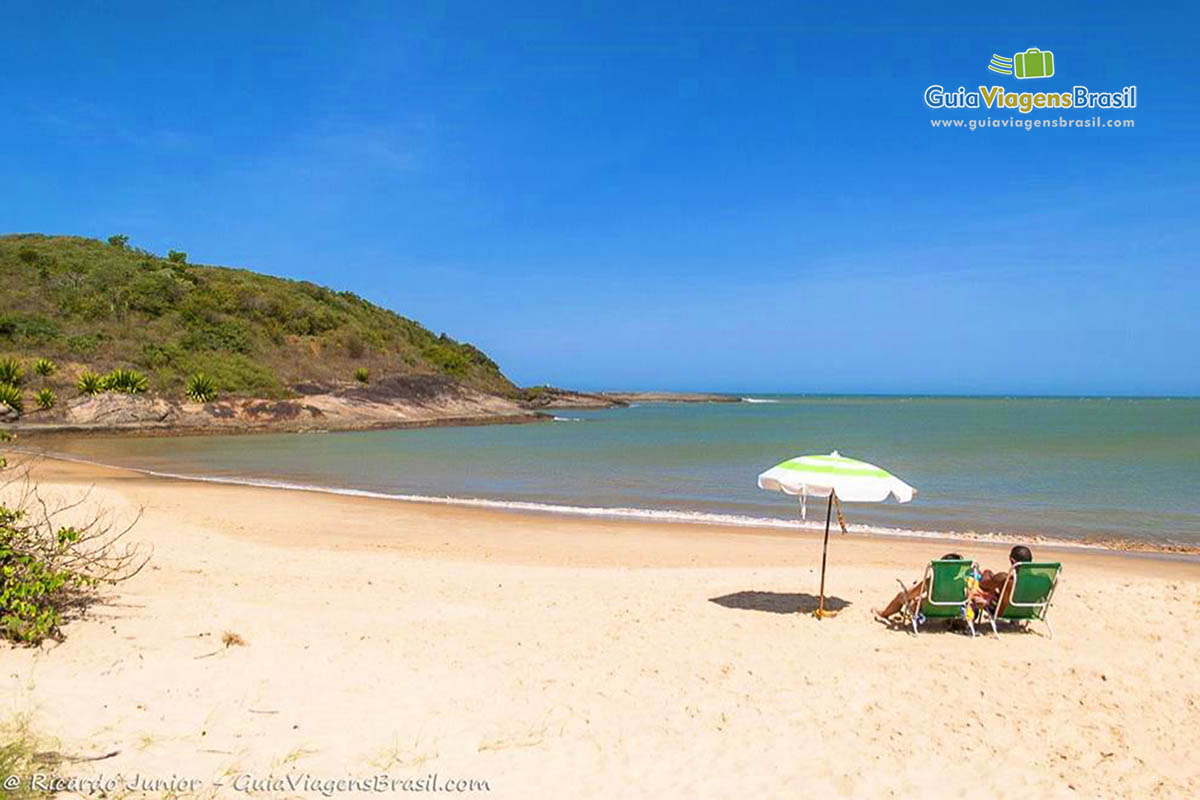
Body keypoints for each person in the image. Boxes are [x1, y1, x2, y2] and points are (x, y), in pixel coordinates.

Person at [872, 552, 964, 621]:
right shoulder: (963, 582)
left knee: (902, 596)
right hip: (954, 611)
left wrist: (916, 598)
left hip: (932, 611)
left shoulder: (932, 582)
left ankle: (884, 614)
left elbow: (908, 595)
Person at [973, 545, 1033, 611]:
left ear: (1012, 561)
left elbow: (983, 584)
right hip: (1027, 612)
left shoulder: (1004, 578)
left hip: (1003, 612)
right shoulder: (1042, 580)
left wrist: (987, 572)